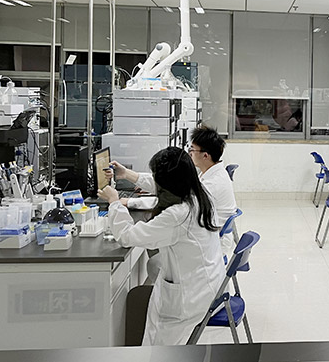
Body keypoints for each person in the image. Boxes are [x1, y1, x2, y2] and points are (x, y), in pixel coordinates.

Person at [98, 146, 224, 346]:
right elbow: (158, 186)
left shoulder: (177, 216)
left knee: (157, 352)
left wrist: (114, 202)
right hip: (206, 283)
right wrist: (127, 174)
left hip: (187, 300)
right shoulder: (199, 193)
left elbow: (127, 236)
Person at [188, 125, 238, 253]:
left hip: (214, 242)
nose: (190, 153)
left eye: (192, 149)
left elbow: (185, 203)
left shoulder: (213, 183)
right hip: (211, 233)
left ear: (205, 156)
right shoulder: (209, 172)